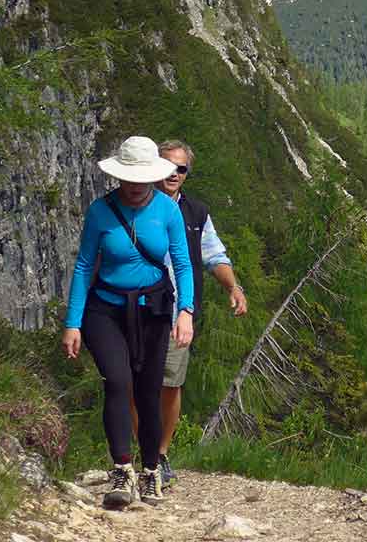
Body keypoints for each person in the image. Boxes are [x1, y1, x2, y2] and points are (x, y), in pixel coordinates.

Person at [61, 136, 194, 508]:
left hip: (153, 309)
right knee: (118, 383)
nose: (135, 186)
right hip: (105, 310)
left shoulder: (168, 211)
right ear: (118, 177)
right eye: (129, 178)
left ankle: (151, 470)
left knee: (148, 390)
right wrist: (73, 322)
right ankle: (121, 468)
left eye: (142, 179)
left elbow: (182, 264)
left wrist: (186, 310)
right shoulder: (100, 212)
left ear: (154, 177)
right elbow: (85, 264)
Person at [150, 139, 247, 489]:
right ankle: (141, 453)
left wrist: (233, 287)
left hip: (179, 313)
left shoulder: (196, 213)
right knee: (130, 384)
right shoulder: (137, 203)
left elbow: (213, 255)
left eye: (181, 168)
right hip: (135, 308)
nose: (174, 173)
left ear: (187, 173)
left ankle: (159, 454)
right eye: (168, 166)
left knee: (169, 385)